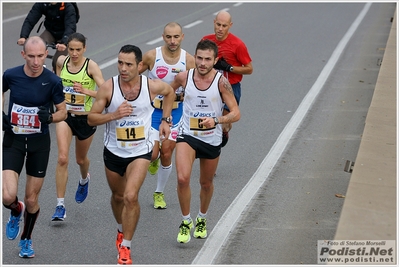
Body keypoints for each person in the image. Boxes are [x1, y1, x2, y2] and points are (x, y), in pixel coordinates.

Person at [87, 44, 175, 265]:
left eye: (128, 64)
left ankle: (126, 247)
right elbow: (91, 118)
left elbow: (170, 92)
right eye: (120, 63)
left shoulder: (151, 86)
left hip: (141, 151)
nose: (123, 68)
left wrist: (165, 119)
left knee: (130, 196)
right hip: (114, 152)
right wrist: (113, 115)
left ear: (139, 66)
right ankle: (120, 229)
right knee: (118, 197)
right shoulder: (109, 88)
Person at [169, 39, 240, 243]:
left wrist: (217, 120)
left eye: (207, 59)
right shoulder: (184, 77)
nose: (202, 63)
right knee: (183, 178)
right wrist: (166, 118)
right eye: (199, 58)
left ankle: (202, 217)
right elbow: (168, 93)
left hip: (211, 138)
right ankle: (185, 221)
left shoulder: (221, 82)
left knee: (205, 183)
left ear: (215, 60)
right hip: (187, 134)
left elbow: (236, 113)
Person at [2, 36, 67, 258]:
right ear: (23, 55)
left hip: (39, 143)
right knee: (7, 196)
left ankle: (26, 239)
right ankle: (15, 210)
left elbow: (63, 112)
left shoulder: (52, 81)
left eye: (40, 56)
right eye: (31, 56)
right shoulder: (11, 74)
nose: (37, 61)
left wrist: (49, 117)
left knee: (32, 199)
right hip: (14, 140)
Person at [50, 32, 105, 221]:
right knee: (63, 158)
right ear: (67, 48)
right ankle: (60, 205)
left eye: (78, 50)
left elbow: (106, 93)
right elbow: (57, 85)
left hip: (85, 119)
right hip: (66, 117)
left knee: (80, 160)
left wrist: (86, 91)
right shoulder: (61, 62)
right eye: (71, 49)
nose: (74, 53)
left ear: (84, 49)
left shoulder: (91, 66)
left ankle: (84, 179)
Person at [140, 22, 195, 209]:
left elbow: (195, 88)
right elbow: (132, 75)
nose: (172, 41)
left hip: (176, 112)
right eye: (169, 37)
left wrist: (183, 95)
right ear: (163, 37)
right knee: (153, 153)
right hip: (153, 111)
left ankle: (159, 193)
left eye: (176, 37)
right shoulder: (151, 56)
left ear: (182, 37)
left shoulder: (188, 60)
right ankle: (153, 160)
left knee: (166, 152)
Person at [202, 10, 252, 147]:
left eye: (224, 26)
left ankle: (223, 133)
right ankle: (209, 143)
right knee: (208, 119)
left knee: (223, 123)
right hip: (211, 86)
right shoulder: (206, 40)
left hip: (231, 87)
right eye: (218, 24)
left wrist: (229, 68)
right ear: (214, 22)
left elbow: (249, 69)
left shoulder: (237, 44)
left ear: (230, 25)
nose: (220, 29)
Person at [17, 2, 77, 72]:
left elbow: (70, 27)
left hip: (65, 35)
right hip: (50, 31)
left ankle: (57, 78)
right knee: (36, 46)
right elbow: (30, 20)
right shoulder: (42, 4)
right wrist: (24, 36)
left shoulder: (68, 6)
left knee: (57, 62)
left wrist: (64, 43)